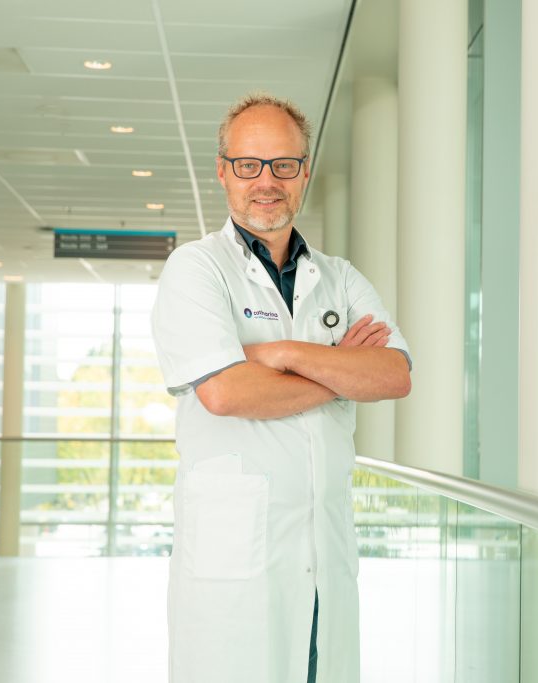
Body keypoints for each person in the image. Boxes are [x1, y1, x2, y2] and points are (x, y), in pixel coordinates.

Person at [150, 92, 411, 683]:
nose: (266, 181)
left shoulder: (340, 278)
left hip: (323, 564)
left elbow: (393, 375)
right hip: (233, 573)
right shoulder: (195, 269)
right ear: (223, 171)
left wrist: (286, 354)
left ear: (305, 172)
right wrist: (341, 371)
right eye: (249, 164)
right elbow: (225, 394)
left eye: (284, 164)